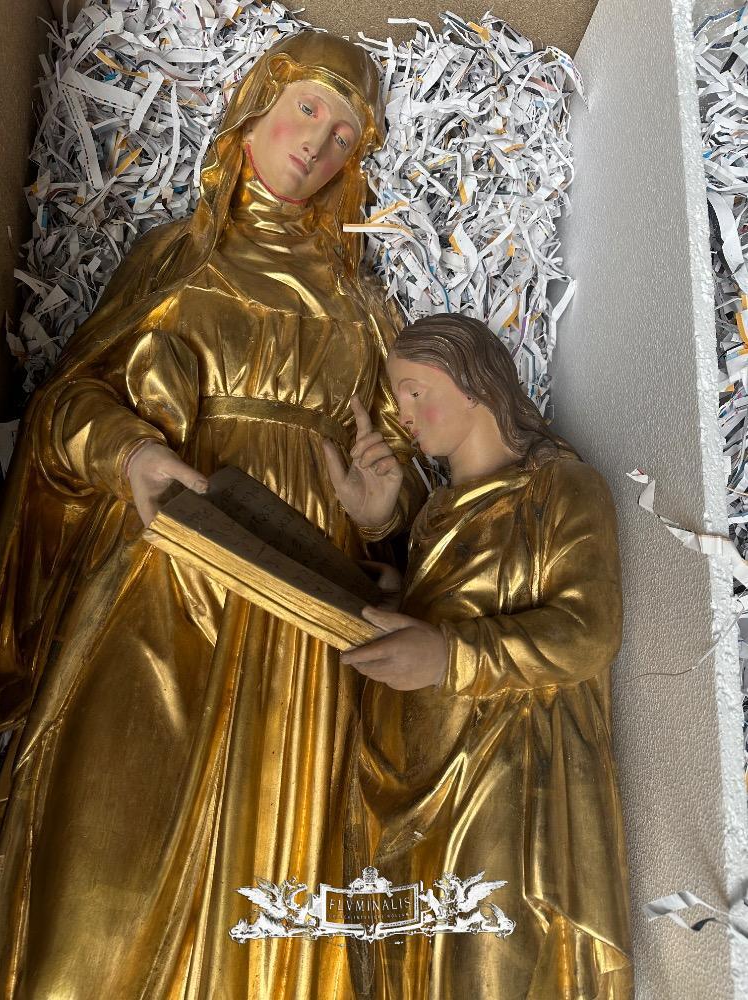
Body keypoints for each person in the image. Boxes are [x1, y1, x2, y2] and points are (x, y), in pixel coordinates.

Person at [0, 30, 425, 999]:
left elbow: (408, 486)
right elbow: (67, 404)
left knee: (268, 885)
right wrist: (132, 452)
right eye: (309, 108)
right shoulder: (177, 260)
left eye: (346, 135)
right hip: (167, 568)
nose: (318, 144)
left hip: (305, 601)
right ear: (258, 105)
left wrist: (382, 513)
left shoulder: (365, 312)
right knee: (98, 858)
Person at [334, 314, 633, 999]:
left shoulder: (559, 490)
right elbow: (446, 600)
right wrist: (380, 534)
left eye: (416, 392)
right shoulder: (434, 515)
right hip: (415, 776)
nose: (405, 415)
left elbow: (587, 631)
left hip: (509, 776)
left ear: (474, 383)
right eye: (399, 399)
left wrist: (449, 658)